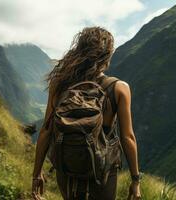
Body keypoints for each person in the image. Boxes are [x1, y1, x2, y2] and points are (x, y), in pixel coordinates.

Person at [32, 26, 141, 200]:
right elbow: (127, 137)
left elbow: (46, 129)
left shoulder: (59, 84)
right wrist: (135, 180)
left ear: (79, 50)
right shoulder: (118, 88)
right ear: (108, 55)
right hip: (103, 172)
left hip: (67, 165)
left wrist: (36, 173)